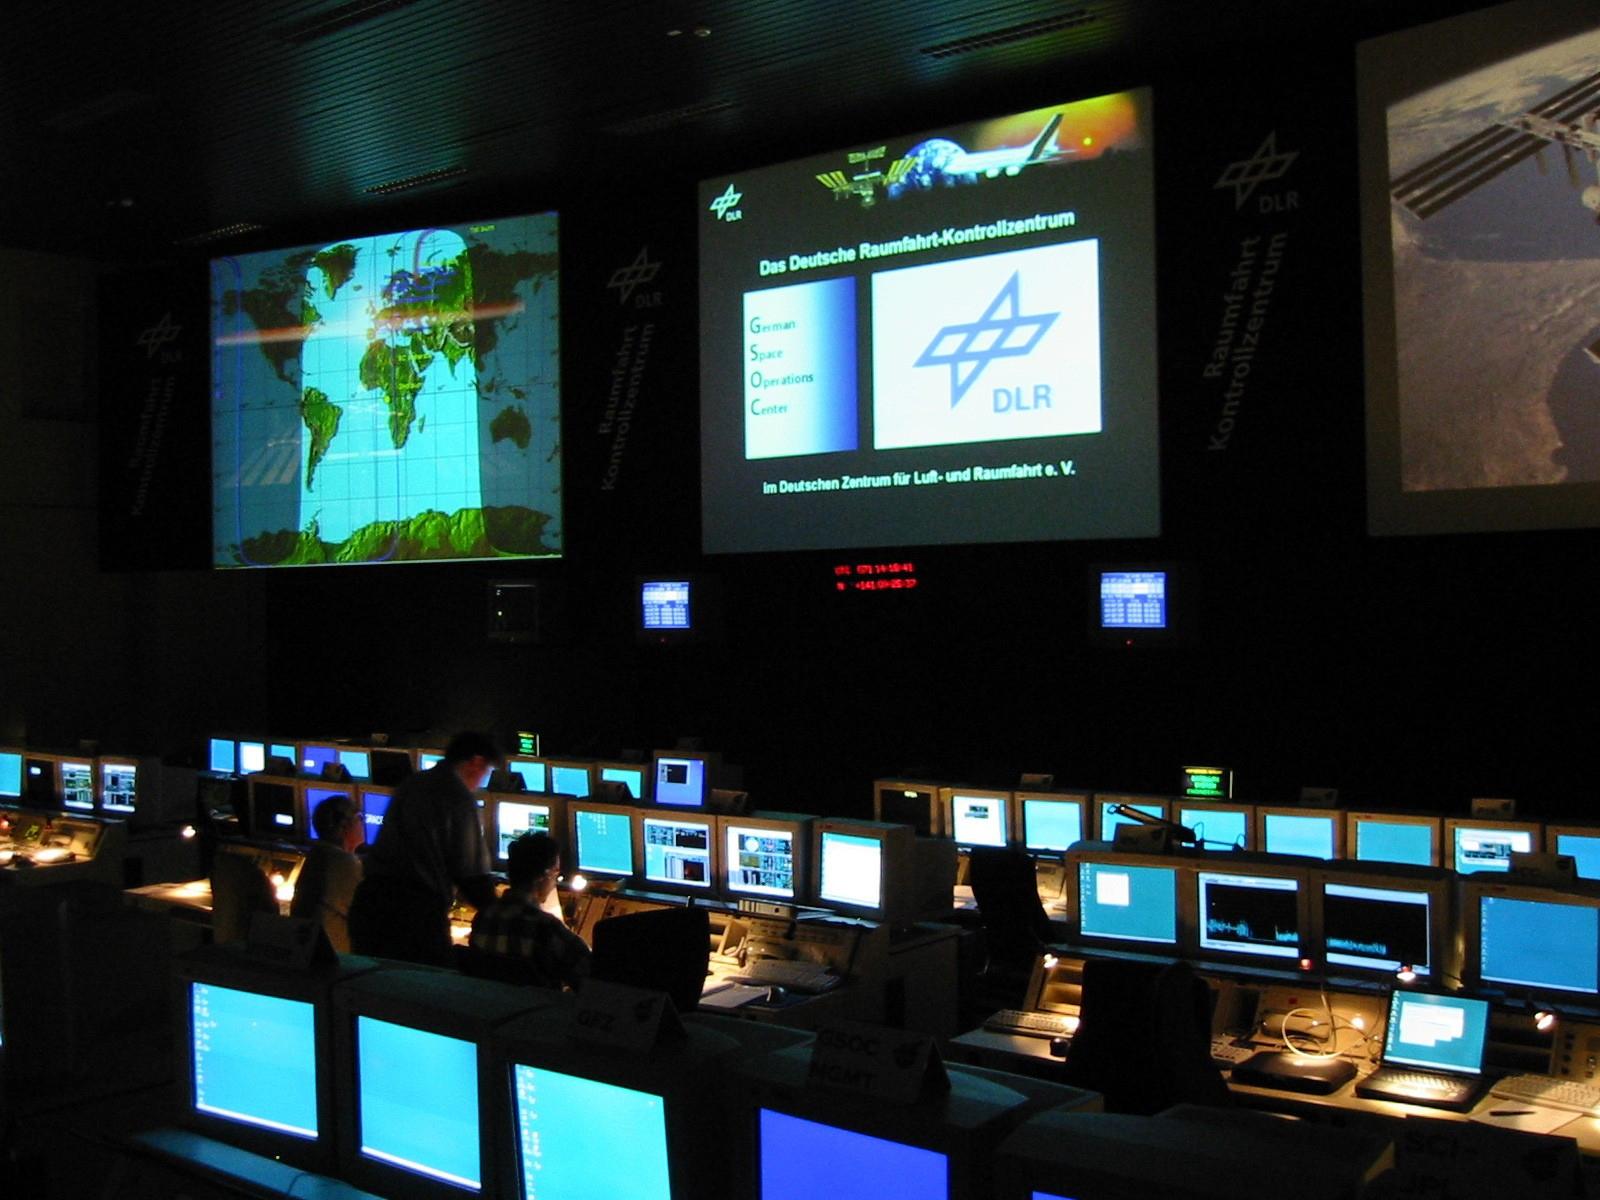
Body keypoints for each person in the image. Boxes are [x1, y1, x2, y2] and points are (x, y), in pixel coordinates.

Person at [347, 731, 500, 966]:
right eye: (486, 772)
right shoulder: (458, 797)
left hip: (369, 905)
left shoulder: (412, 783)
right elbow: (472, 876)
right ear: (476, 762)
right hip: (414, 915)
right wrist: (505, 916)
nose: (481, 781)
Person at [469, 832, 590, 991]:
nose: (555, 881)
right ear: (544, 875)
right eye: (556, 872)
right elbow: (591, 975)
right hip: (537, 1006)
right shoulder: (547, 927)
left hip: (491, 1004)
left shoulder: (482, 918)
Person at [290, 792, 364, 953]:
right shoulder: (344, 862)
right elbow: (363, 914)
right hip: (334, 955)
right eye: (359, 818)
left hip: (309, 950)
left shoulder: (316, 854)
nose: (362, 824)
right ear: (344, 825)